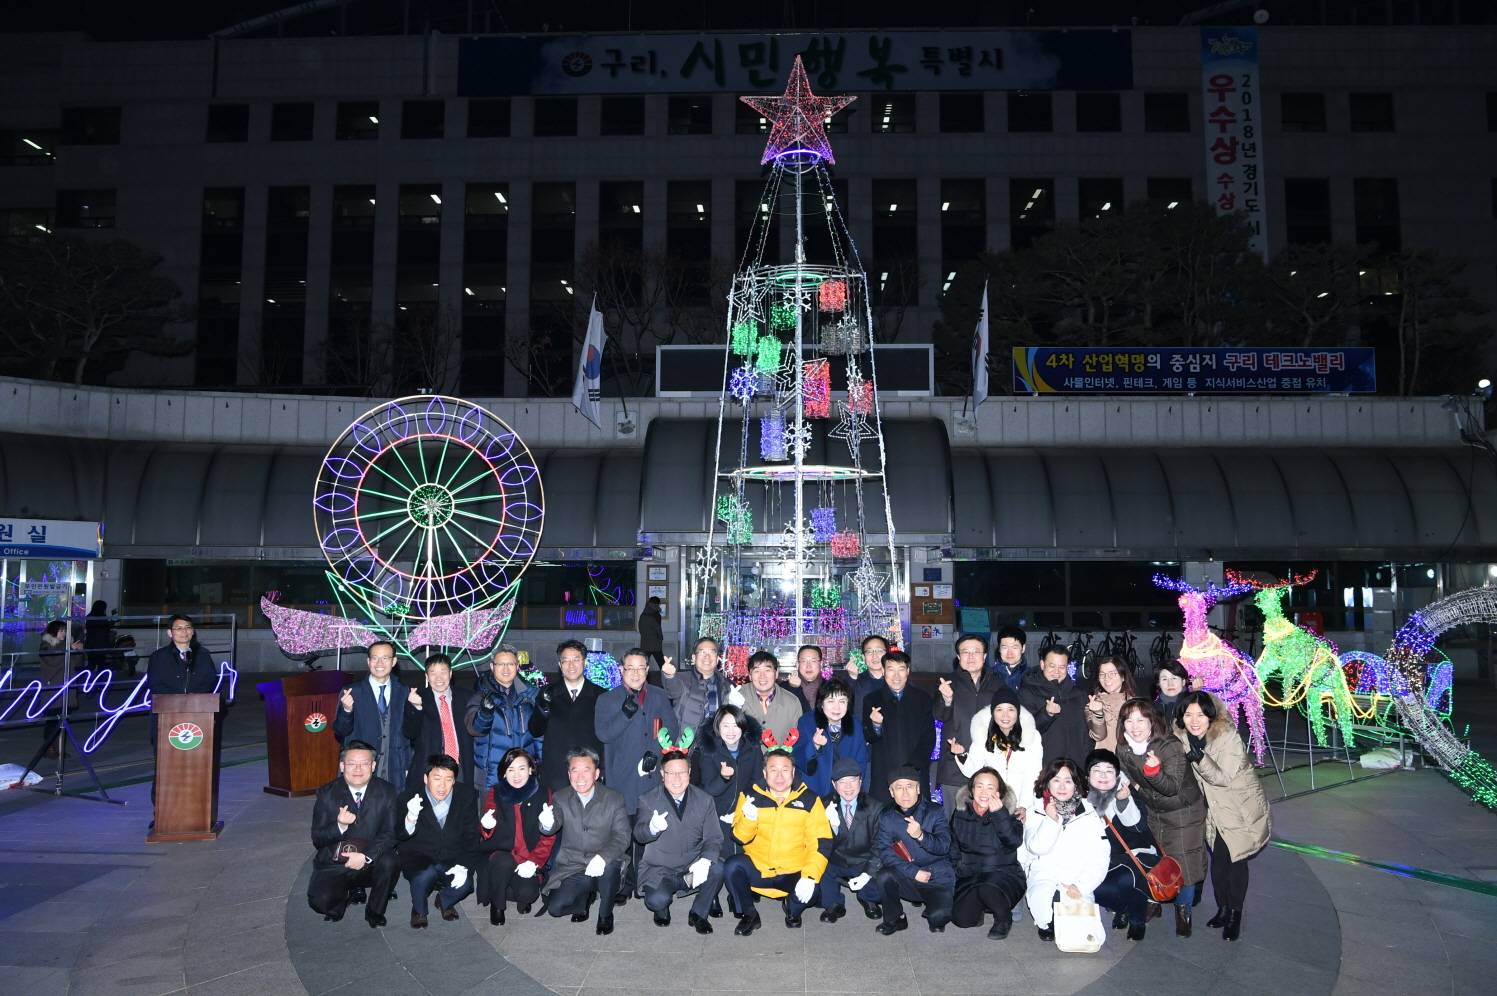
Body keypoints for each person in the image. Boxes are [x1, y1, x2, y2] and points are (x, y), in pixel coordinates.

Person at [1177, 691, 1271, 942]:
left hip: (1238, 807)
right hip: (1212, 809)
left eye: (1200, 714)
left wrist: (1200, 758)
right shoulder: (1183, 739)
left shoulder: (1228, 736)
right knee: (1219, 861)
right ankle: (1223, 909)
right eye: (1188, 714)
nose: (1194, 720)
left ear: (1211, 715)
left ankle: (1235, 915)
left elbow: (1222, 778)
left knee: (1235, 860)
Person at [1115, 696, 1208, 937]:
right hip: (1153, 809)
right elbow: (1130, 776)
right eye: (1128, 720)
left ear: (1152, 722)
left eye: (1141, 719)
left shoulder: (1170, 746)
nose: (1135, 726)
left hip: (1183, 809)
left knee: (1182, 860)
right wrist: (1132, 788)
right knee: (1155, 859)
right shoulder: (1123, 747)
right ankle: (1153, 902)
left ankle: (1183, 909)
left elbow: (1172, 787)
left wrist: (1153, 772)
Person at [724, 746, 832, 936]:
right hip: (760, 868)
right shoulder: (750, 796)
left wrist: (809, 877)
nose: (779, 776)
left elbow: (821, 842)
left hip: (791, 870)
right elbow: (739, 837)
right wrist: (749, 820)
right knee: (732, 865)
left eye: (785, 769)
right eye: (773, 770)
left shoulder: (809, 800)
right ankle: (749, 915)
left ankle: (792, 909)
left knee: (812, 892)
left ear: (793, 772)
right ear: (765, 773)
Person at [597, 648, 677, 901]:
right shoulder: (607, 700)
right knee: (623, 835)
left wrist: (656, 751)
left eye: (640, 668)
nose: (635, 673)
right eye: (629, 668)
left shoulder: (659, 695)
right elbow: (604, 734)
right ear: (621, 670)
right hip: (622, 779)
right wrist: (625, 714)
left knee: (649, 834)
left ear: (647, 670)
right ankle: (624, 883)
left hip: (651, 778)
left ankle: (647, 882)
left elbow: (671, 727)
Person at [632, 743, 724, 932]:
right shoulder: (647, 799)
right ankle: (662, 910)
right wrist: (652, 827)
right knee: (656, 901)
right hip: (661, 869)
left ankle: (698, 913)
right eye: (670, 773)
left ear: (689, 772)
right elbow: (639, 835)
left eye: (681, 772)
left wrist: (705, 860)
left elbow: (714, 837)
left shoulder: (704, 799)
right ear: (662, 774)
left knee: (719, 867)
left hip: (692, 867)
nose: (676, 778)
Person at [307, 740, 400, 927]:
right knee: (320, 903)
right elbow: (318, 838)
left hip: (372, 857)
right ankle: (341, 900)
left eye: (364, 763)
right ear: (342, 766)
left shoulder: (388, 791)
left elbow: (391, 833)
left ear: (373, 766)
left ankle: (375, 910)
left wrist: (365, 857)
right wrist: (339, 825)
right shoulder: (326, 793)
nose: (358, 769)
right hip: (336, 859)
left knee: (391, 862)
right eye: (351, 763)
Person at [539, 747, 631, 935]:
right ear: (568, 773)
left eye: (586, 770)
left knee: (610, 868)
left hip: (605, 864)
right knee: (555, 908)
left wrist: (603, 857)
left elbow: (622, 836)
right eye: (575, 770)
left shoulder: (614, 798)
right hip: (574, 865)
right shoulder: (561, 797)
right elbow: (553, 823)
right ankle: (585, 898)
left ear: (596, 773)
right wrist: (546, 824)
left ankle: (605, 915)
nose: (580, 776)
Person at [1023, 757, 1110, 943]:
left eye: (1068, 781)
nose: (1062, 786)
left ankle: (1063, 919)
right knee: (1045, 901)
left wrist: (1082, 885)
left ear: (1076, 785)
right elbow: (1037, 848)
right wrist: (1051, 821)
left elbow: (1100, 856)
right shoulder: (1036, 810)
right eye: (1056, 780)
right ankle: (1047, 923)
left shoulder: (1089, 814)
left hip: (1076, 875)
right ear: (1047, 782)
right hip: (1044, 873)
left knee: (1089, 934)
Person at [691, 704, 763, 916]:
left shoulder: (752, 748)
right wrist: (723, 778)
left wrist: (744, 808)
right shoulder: (709, 751)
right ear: (717, 728)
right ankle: (712, 896)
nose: (731, 731)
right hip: (715, 811)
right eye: (725, 725)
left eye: (735, 725)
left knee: (739, 853)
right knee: (717, 856)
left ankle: (735, 894)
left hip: (741, 811)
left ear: (742, 727)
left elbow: (756, 782)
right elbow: (707, 788)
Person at [396, 754, 481, 928]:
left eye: (448, 779)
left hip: (452, 855)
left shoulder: (465, 795)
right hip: (419, 855)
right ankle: (419, 909)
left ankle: (444, 900)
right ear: (426, 778)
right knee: (424, 875)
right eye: (437, 778)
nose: (442, 786)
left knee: (464, 885)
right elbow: (399, 835)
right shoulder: (408, 797)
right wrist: (411, 817)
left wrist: (465, 866)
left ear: (454, 780)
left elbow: (471, 835)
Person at [475, 747, 557, 925]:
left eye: (521, 768)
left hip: (527, 858)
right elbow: (486, 830)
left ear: (530, 769)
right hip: (501, 853)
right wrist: (487, 826)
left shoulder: (543, 793)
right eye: (510, 769)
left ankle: (506, 884)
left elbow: (547, 839)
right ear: (504, 773)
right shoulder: (496, 793)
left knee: (528, 894)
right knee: (503, 863)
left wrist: (534, 862)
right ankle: (497, 905)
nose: (516, 774)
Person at [1085, 749, 1157, 941]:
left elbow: (1136, 826)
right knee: (1096, 888)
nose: (1102, 775)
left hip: (1134, 854)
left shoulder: (1125, 791)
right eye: (1096, 770)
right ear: (1087, 775)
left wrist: (1124, 802)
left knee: (1128, 881)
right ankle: (1123, 909)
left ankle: (1137, 920)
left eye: (1109, 771)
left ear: (1116, 775)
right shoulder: (1082, 799)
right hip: (1104, 858)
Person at [873, 766, 955, 934]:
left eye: (910, 786)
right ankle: (896, 919)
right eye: (899, 787)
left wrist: (921, 836)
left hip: (937, 876)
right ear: (891, 792)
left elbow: (944, 846)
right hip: (908, 875)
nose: (904, 793)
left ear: (918, 789)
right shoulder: (887, 815)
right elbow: (886, 853)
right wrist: (914, 872)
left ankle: (935, 908)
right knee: (884, 875)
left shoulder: (935, 811)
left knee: (939, 918)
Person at [948, 766, 1027, 939]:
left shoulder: (1011, 813)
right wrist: (954, 873)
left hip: (1002, 875)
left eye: (990, 787)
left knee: (986, 887)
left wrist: (1000, 814)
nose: (984, 792)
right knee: (961, 920)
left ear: (998, 792)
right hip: (969, 875)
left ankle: (1004, 918)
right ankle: (979, 908)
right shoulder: (961, 812)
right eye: (979, 786)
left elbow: (1014, 841)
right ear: (972, 789)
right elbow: (954, 846)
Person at [935, 634, 1004, 815]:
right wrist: (947, 699)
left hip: (988, 768)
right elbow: (940, 715)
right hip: (954, 765)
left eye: (976, 652)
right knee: (954, 822)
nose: (971, 656)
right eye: (966, 652)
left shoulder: (998, 684)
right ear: (958, 657)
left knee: (986, 823)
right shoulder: (947, 683)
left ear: (984, 656)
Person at [953, 685, 1045, 815]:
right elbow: (973, 772)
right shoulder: (983, 735)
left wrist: (1024, 806)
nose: (1005, 715)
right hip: (991, 802)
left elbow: (1032, 776)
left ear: (1017, 712)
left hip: (1022, 804)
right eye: (999, 709)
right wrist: (962, 756)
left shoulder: (1032, 737)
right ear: (993, 713)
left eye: (1011, 710)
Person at [527, 639, 605, 792]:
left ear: (585, 662)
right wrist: (542, 712)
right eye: (566, 661)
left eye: (576, 659)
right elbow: (535, 730)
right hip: (556, 773)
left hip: (588, 773)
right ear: (560, 665)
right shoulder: (547, 693)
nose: (571, 665)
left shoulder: (600, 696)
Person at [332, 641, 412, 784]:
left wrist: (407, 765)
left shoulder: (403, 690)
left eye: (385, 658)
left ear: (393, 661)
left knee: (394, 805)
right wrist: (346, 710)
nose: (379, 663)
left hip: (394, 767)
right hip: (361, 769)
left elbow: (406, 734)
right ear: (368, 661)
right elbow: (340, 731)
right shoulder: (353, 691)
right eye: (374, 658)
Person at [818, 756, 886, 922]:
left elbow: (880, 845)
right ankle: (834, 903)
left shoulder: (876, 807)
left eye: (853, 780)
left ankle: (867, 898)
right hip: (836, 859)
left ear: (860, 781)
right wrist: (832, 827)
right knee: (820, 863)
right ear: (834, 784)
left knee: (884, 879)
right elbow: (819, 844)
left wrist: (867, 874)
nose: (848, 787)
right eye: (842, 781)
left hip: (864, 860)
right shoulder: (823, 805)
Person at [861, 651, 936, 797]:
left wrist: (912, 767)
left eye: (901, 669)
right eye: (891, 669)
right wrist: (875, 725)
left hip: (916, 771)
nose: (896, 675)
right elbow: (868, 736)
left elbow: (928, 738)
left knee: (917, 816)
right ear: (883, 671)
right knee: (884, 816)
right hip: (884, 774)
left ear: (907, 671)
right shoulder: (872, 700)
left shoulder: (923, 699)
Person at [468, 644, 541, 789]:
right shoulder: (481, 694)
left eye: (510, 664)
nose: (506, 668)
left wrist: (540, 764)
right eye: (501, 664)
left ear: (517, 665)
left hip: (523, 773)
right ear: (492, 666)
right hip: (492, 774)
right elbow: (474, 729)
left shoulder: (531, 694)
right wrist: (485, 714)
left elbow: (539, 734)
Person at [402, 654, 474, 790]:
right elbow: (409, 733)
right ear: (426, 676)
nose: (439, 678)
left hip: (461, 768)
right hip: (430, 770)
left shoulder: (467, 697)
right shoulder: (417, 698)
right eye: (433, 673)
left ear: (450, 673)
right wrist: (417, 708)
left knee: (460, 809)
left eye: (443, 672)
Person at [793, 678, 870, 796]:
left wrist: (854, 787)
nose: (837, 707)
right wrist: (814, 746)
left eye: (842, 701)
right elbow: (797, 756)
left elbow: (861, 760)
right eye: (831, 701)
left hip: (846, 790)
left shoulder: (855, 724)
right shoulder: (807, 721)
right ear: (821, 703)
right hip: (814, 788)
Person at [1019, 646, 1091, 765]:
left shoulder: (1079, 694)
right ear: (1042, 665)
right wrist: (1046, 715)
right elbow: (1024, 731)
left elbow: (1087, 734)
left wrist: (1087, 761)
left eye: (1062, 667)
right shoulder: (1027, 693)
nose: (1056, 671)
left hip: (1076, 767)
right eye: (1052, 666)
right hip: (1045, 768)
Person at [662, 636, 734, 733]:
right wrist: (669, 676)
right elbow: (673, 690)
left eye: (711, 652)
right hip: (686, 744)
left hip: (717, 743)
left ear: (717, 659)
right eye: (702, 652)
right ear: (694, 658)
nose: (707, 656)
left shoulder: (728, 686)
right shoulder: (682, 679)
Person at [734, 651, 802, 742]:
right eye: (757, 671)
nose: (762, 676)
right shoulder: (736, 697)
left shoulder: (792, 702)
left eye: (767, 670)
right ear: (750, 676)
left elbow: (798, 738)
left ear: (776, 673)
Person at [38, 620, 83, 759]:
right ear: (53, 631)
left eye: (65, 630)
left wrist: (77, 652)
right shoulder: (46, 645)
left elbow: (77, 664)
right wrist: (68, 650)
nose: (63, 633)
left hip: (67, 687)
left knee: (64, 720)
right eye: (61, 630)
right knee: (52, 719)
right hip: (53, 688)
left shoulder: (66, 645)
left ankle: (59, 748)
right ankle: (49, 748)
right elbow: (53, 661)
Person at [1085, 655, 1139, 753]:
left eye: (1112, 673)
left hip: (1129, 761)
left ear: (1123, 676)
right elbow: (1099, 736)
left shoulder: (1136, 705)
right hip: (1104, 762)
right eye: (1102, 674)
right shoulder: (1093, 704)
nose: (1107, 678)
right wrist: (1098, 714)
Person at [844, 634, 889, 714]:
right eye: (869, 651)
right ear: (864, 657)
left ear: (887, 654)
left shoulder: (899, 680)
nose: (874, 656)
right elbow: (846, 700)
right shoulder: (857, 681)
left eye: (879, 651)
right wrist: (852, 677)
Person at [781, 644, 825, 712]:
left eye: (813, 661)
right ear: (798, 664)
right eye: (804, 661)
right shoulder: (783, 688)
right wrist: (793, 689)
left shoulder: (830, 687)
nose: (808, 666)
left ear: (821, 664)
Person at [1154, 661, 1193, 732]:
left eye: (1174, 678)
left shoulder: (1192, 704)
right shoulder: (1152, 708)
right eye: (1165, 679)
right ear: (1159, 683)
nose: (1170, 683)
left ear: (1183, 681)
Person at [990, 625, 1030, 692]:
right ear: (999, 648)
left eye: (1014, 647)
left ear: (1023, 648)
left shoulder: (1032, 676)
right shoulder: (988, 676)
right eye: (1005, 647)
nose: (1009, 653)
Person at [83, 600, 114, 674]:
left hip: (90, 645)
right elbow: (105, 630)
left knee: (91, 665)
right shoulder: (102, 618)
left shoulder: (89, 617)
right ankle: (98, 683)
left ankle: (77, 678)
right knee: (101, 665)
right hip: (100, 645)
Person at [637, 595, 666, 671]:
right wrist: (660, 638)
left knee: (643, 663)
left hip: (645, 642)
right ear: (657, 604)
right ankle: (667, 678)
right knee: (661, 663)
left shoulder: (643, 614)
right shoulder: (655, 615)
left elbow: (640, 628)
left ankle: (641, 678)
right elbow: (657, 629)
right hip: (655, 643)